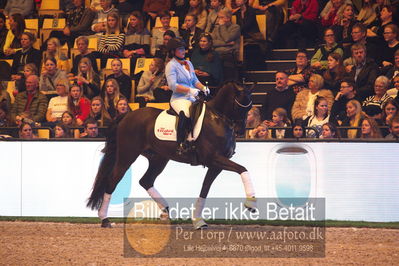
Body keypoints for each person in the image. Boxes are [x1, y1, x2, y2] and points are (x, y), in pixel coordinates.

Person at [165, 38, 209, 154]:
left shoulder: (188, 63)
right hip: (179, 98)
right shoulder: (171, 66)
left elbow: (194, 80)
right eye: (180, 49)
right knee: (186, 113)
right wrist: (190, 90)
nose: (183, 51)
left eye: (184, 48)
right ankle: (181, 143)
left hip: (192, 97)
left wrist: (203, 87)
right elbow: (173, 85)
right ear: (173, 51)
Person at [234, 0, 266, 69]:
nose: (236, 1)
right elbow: (237, 26)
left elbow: (248, 25)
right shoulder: (237, 13)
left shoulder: (251, 11)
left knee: (250, 47)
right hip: (243, 36)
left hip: (253, 35)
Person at [211, 8, 241, 81]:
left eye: (221, 17)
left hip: (229, 53)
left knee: (224, 58)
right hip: (217, 53)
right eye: (218, 17)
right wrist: (226, 44)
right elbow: (212, 42)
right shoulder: (216, 28)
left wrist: (222, 26)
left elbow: (227, 38)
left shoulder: (235, 27)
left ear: (228, 18)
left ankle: (228, 82)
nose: (219, 20)